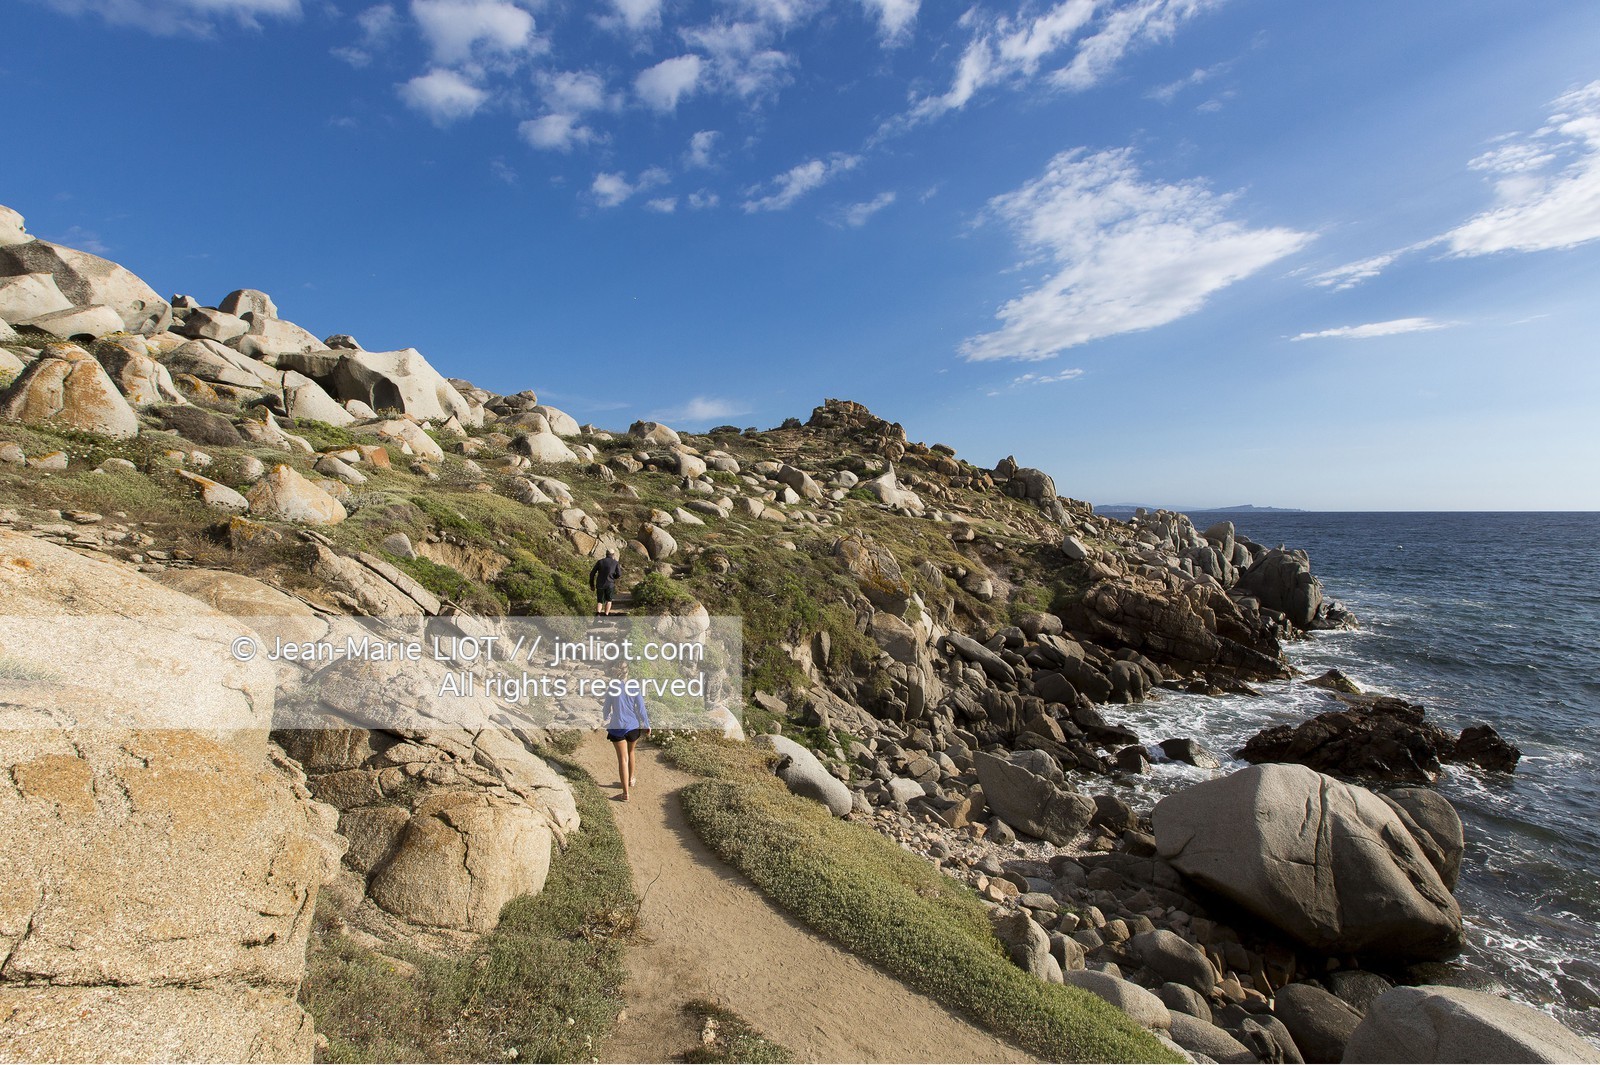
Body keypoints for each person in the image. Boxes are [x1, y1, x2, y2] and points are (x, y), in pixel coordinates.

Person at [603, 661, 650, 800]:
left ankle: (625, 793)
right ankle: (630, 779)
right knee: (631, 752)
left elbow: (606, 707)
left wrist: (606, 717)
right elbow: (641, 708)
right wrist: (646, 724)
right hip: (633, 726)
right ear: (627, 671)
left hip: (617, 726)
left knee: (622, 759)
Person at [589, 549, 621, 616]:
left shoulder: (600, 562)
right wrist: (613, 577)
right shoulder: (615, 562)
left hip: (600, 584)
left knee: (600, 601)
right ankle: (606, 615)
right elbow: (619, 574)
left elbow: (592, 573)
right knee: (609, 601)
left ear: (606, 554)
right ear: (613, 555)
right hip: (610, 584)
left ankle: (598, 614)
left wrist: (592, 585)